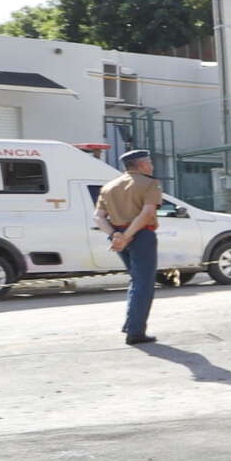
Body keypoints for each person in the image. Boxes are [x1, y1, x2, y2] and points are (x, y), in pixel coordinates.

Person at [94, 148, 163, 346]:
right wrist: (127, 236)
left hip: (118, 236)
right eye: (149, 162)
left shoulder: (108, 187)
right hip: (140, 235)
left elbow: (98, 217)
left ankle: (131, 324)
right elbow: (147, 214)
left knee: (136, 279)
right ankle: (135, 332)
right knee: (144, 283)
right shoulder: (151, 184)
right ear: (141, 165)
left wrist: (115, 235)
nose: (151, 166)